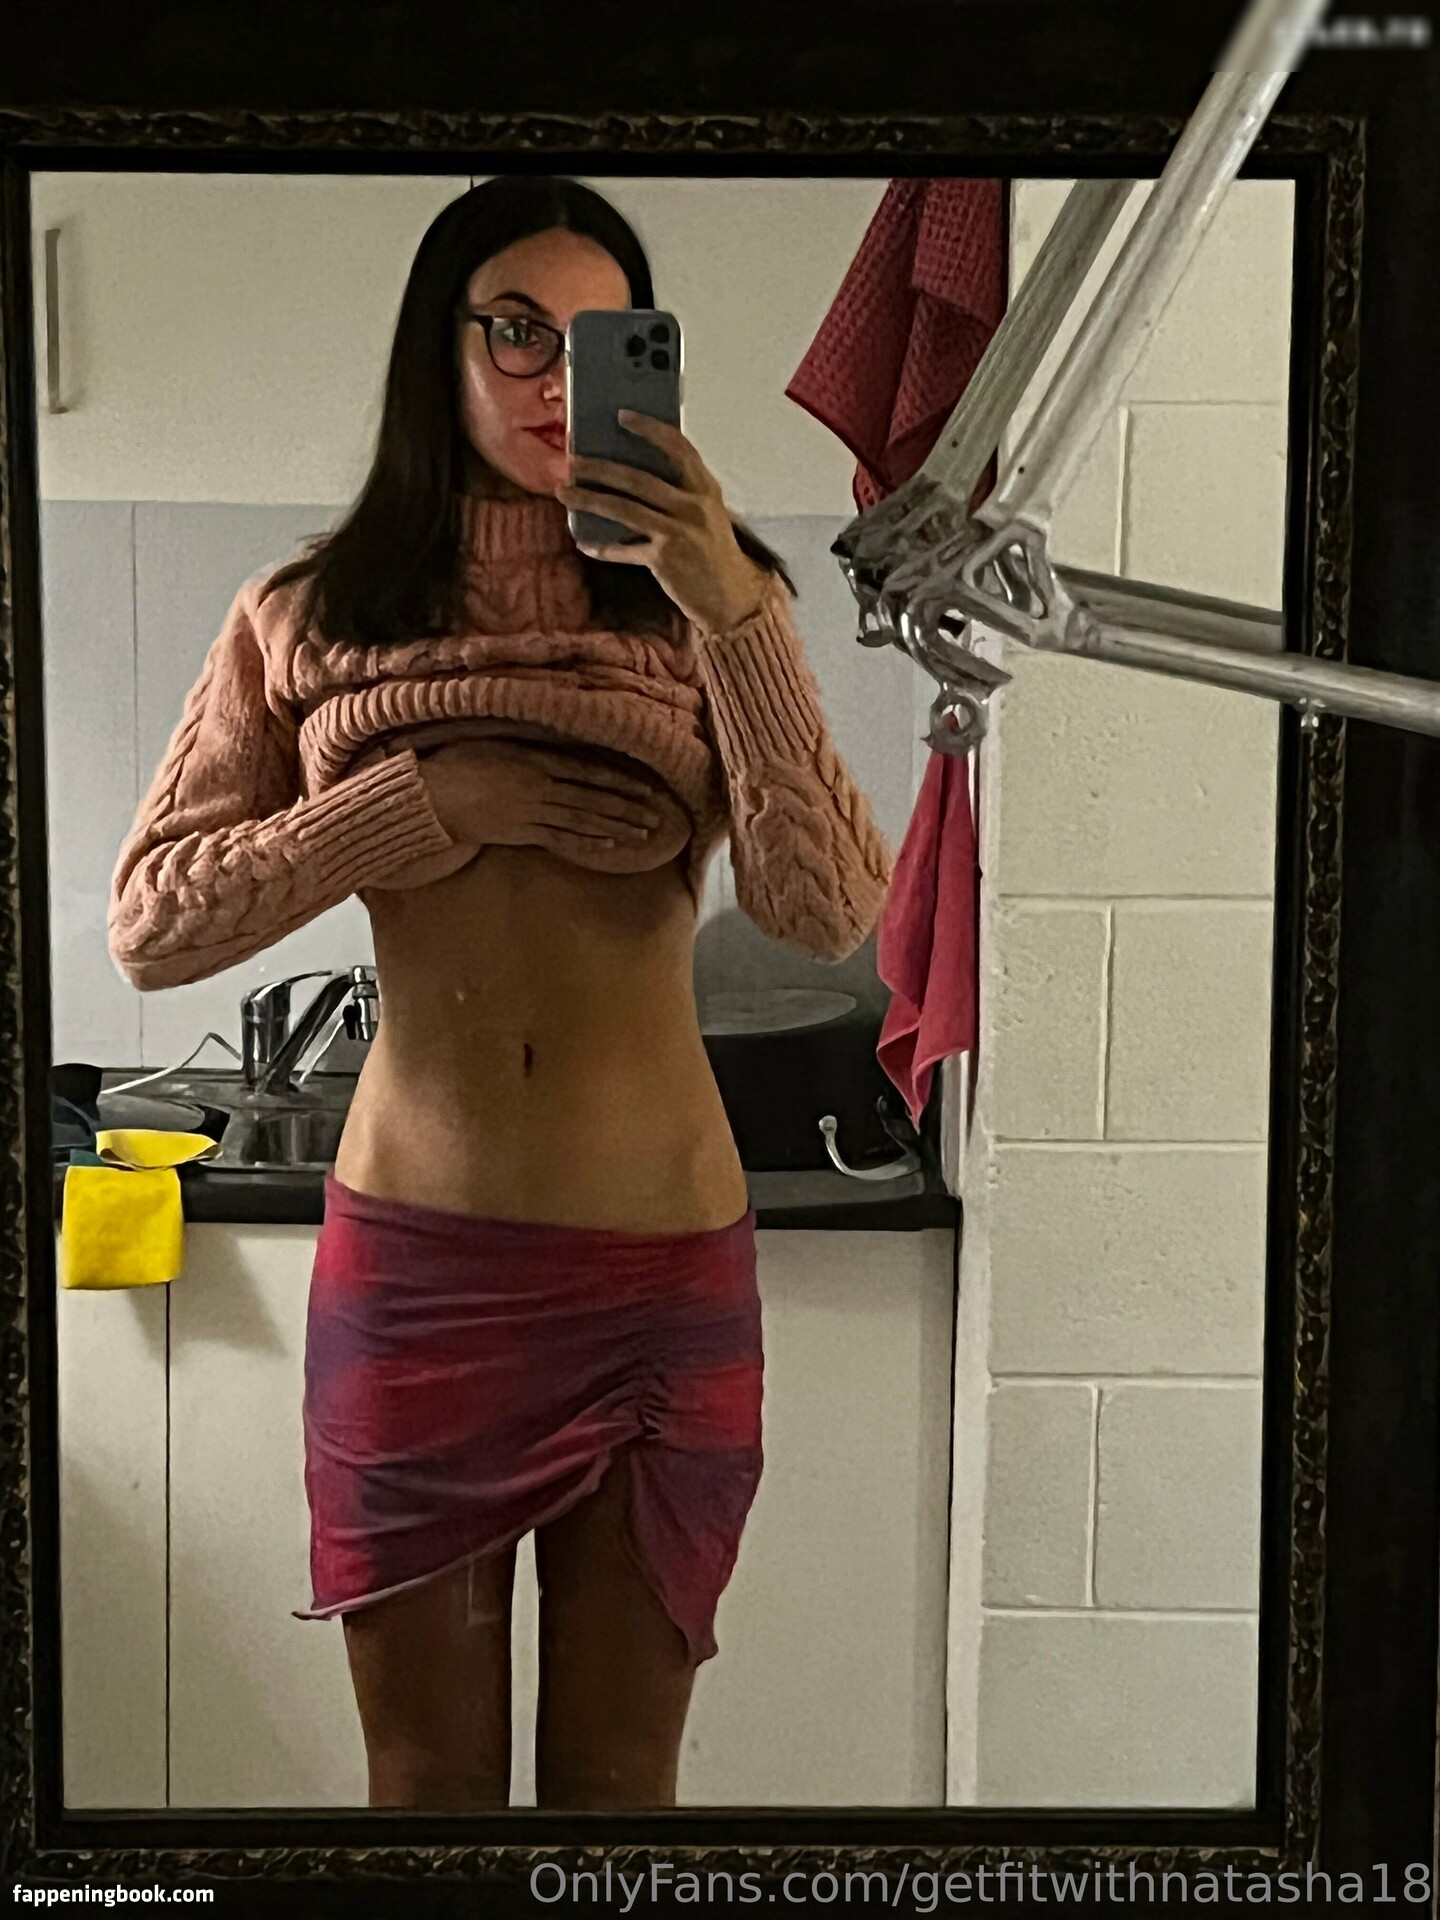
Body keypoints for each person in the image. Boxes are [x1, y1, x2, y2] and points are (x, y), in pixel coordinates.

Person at [107, 176, 893, 1811]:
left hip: (661, 1282)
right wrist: (422, 802)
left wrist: (732, 606)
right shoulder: (306, 613)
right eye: (519, 331)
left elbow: (826, 911)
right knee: (426, 1799)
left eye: (601, 341)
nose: (556, 379)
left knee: (618, 1800)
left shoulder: (711, 599)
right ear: (439, 349)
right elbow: (154, 926)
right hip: (419, 1277)